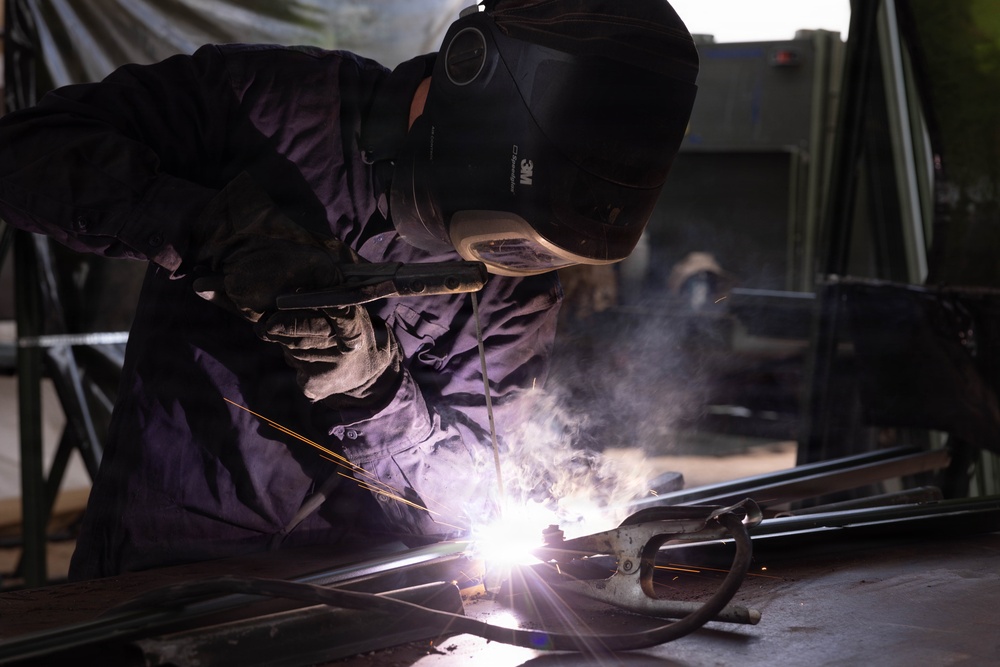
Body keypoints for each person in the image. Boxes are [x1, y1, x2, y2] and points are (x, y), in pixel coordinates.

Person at [0, 0, 698, 580]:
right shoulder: (262, 106)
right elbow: (22, 152)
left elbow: (466, 496)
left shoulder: (518, 271)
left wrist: (373, 389)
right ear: (472, 69)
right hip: (165, 566)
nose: (508, 268)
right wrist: (209, 229)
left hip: (364, 593)